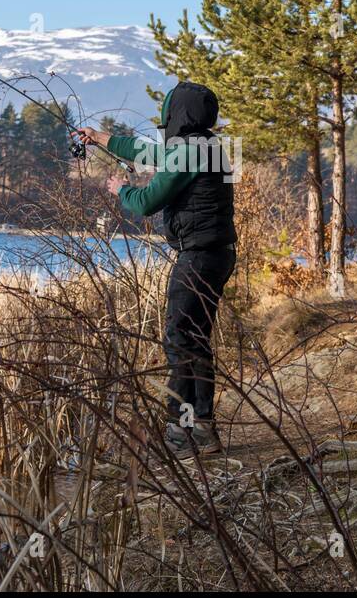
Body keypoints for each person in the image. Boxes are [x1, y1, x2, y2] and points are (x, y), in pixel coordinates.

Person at [73, 82, 237, 457]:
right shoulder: (206, 147)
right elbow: (152, 153)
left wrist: (121, 190)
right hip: (215, 254)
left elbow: (148, 201)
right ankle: (202, 429)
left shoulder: (190, 152)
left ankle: (183, 432)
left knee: (180, 338)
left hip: (198, 256)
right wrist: (101, 137)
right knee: (193, 338)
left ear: (175, 113)